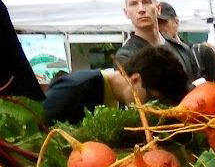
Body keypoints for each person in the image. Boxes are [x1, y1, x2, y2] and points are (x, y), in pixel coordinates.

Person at [42, 45, 188, 124]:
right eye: (152, 99)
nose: (152, 109)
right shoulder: (75, 88)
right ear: (135, 79)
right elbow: (34, 127)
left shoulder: (117, 98)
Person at [115, 0, 167, 67]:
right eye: (134, 4)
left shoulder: (179, 49)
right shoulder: (126, 57)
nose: (141, 9)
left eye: (146, 2)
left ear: (158, 8)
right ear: (126, 12)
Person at [154, 2, 202, 83]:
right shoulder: (151, 55)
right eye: (155, 22)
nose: (158, 27)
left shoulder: (196, 52)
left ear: (176, 22)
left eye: (163, 22)